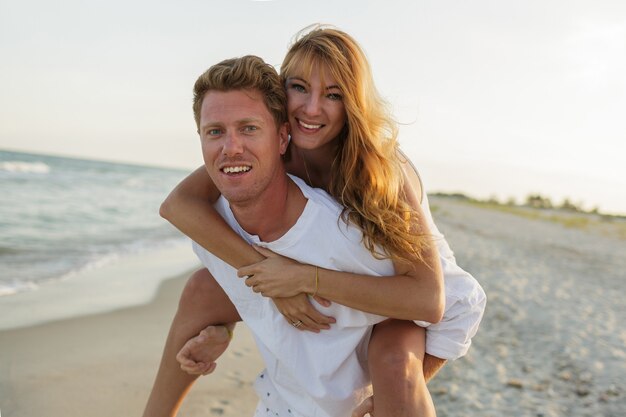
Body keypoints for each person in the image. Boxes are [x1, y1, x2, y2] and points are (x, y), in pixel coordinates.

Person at [144, 26, 486, 417]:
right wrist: (271, 284)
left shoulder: (380, 172)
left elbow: (431, 300)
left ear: (353, 103)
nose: (310, 108)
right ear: (280, 92)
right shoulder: (279, 150)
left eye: (333, 94)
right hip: (332, 275)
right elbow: (178, 205)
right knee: (202, 289)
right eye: (299, 87)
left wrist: (303, 279)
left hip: (403, 291)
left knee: (394, 363)